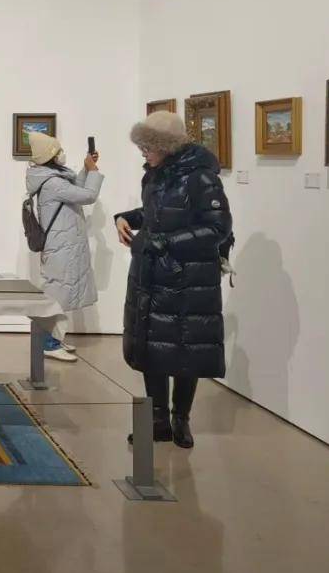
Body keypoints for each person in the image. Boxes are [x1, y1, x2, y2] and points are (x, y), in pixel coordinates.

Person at [115, 111, 233, 449]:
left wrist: (164, 243)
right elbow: (157, 214)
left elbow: (217, 227)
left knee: (185, 350)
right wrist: (125, 217)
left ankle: (181, 418)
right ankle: (157, 421)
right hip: (152, 275)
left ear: (167, 146)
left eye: (148, 146)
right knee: (152, 347)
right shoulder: (156, 174)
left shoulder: (200, 177)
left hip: (188, 279)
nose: (143, 152)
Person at [25, 131, 103, 362]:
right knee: (56, 295)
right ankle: (48, 344)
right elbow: (88, 195)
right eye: (58, 151)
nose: (62, 154)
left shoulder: (53, 178)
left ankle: (54, 340)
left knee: (62, 292)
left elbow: (75, 190)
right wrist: (94, 172)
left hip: (65, 246)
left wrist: (86, 169)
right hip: (61, 247)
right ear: (51, 155)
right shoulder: (52, 183)